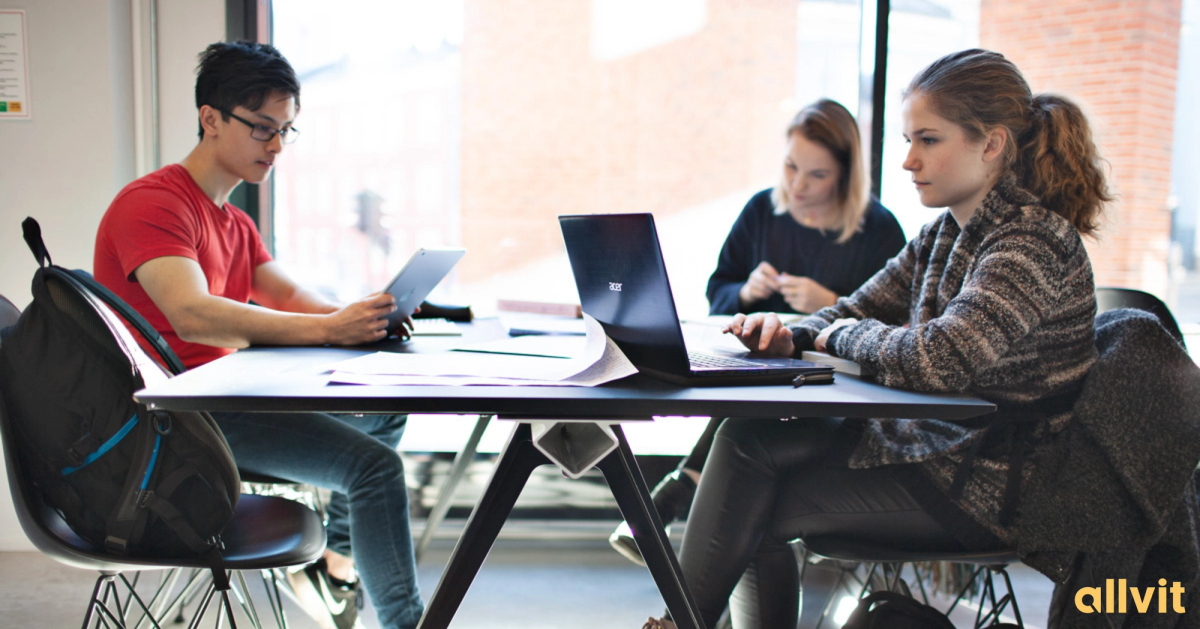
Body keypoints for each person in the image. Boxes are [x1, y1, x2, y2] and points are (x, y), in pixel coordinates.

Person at [638, 48, 1110, 629]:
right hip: (934, 447)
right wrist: (792, 335)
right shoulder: (945, 233)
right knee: (746, 438)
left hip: (987, 485)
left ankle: (673, 625)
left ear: (991, 145)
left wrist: (836, 333)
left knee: (747, 510)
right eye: (908, 140)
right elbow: (855, 309)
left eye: (929, 140)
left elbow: (936, 360)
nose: (909, 160)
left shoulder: (1030, 245)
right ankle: (678, 623)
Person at [93, 41, 423, 629]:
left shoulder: (235, 221)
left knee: (386, 410)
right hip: (177, 418)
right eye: (263, 128)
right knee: (374, 469)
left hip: (225, 397)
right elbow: (193, 313)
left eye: (286, 132)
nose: (275, 147)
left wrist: (361, 319)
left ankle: (334, 562)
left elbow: (290, 298)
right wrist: (329, 329)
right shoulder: (154, 204)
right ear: (211, 118)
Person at [609, 100, 906, 567]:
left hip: (833, 385)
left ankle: (677, 493)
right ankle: (686, 516)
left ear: (846, 177)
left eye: (817, 175)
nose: (797, 185)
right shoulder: (762, 211)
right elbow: (717, 296)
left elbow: (893, 325)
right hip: (760, 365)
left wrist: (825, 302)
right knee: (747, 395)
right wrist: (746, 293)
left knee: (747, 419)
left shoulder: (880, 230)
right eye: (791, 166)